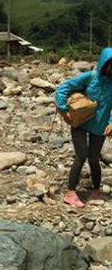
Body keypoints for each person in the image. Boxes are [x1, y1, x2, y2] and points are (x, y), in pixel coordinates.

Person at [54, 47, 112, 207]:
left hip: (100, 127)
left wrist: (111, 122)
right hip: (80, 123)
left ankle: (95, 191)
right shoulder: (91, 77)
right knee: (81, 155)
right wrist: (64, 110)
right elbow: (64, 88)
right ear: (104, 64)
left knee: (94, 158)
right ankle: (70, 192)